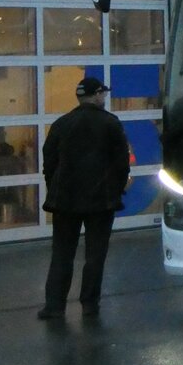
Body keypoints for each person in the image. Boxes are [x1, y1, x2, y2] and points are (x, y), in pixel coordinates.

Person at [38, 77, 130, 319]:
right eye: (103, 94)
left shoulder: (61, 124)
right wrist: (116, 189)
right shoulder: (110, 123)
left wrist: (54, 188)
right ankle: (89, 304)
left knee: (62, 253)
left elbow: (49, 161)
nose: (104, 98)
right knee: (95, 255)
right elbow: (122, 163)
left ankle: (54, 306)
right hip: (101, 202)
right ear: (97, 94)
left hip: (65, 201)